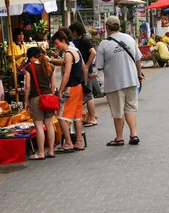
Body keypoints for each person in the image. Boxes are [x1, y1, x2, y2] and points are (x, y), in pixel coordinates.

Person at [95, 16, 143, 146]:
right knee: (131, 108)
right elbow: (138, 59)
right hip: (132, 80)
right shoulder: (129, 39)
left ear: (107, 27)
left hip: (114, 83)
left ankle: (119, 137)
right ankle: (134, 134)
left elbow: (99, 65)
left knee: (118, 111)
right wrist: (139, 74)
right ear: (119, 27)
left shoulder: (104, 44)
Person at [52, 30, 87, 152]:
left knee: (61, 116)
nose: (56, 46)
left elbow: (66, 74)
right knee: (77, 116)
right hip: (79, 87)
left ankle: (68, 142)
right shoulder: (76, 50)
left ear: (63, 41)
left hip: (71, 88)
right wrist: (84, 84)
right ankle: (79, 141)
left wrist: (60, 90)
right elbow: (84, 68)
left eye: (57, 43)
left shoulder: (68, 54)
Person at [23, 47, 58, 159]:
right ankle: (51, 151)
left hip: (36, 98)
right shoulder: (51, 66)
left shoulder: (29, 67)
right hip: (49, 97)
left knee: (39, 126)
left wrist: (26, 100)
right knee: (49, 124)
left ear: (31, 57)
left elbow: (27, 86)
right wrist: (51, 95)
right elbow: (53, 85)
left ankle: (41, 153)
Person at [69, 22, 98, 128]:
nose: (72, 34)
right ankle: (90, 117)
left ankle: (92, 118)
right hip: (85, 70)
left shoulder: (85, 40)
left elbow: (93, 52)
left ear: (76, 31)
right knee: (87, 94)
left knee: (89, 95)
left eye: (72, 32)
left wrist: (86, 65)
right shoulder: (81, 40)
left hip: (87, 71)